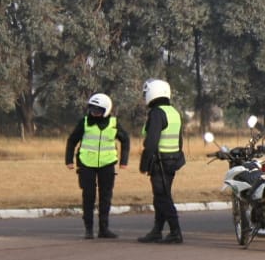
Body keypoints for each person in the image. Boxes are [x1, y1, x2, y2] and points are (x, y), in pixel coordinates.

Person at [64, 92, 129, 239]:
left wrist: (124, 161)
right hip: (86, 164)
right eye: (92, 108)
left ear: (106, 109)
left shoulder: (114, 123)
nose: (94, 112)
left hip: (107, 164)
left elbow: (125, 140)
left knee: (105, 196)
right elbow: (72, 140)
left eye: (98, 110)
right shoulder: (85, 122)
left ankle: (103, 229)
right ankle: (88, 229)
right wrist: (69, 160)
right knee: (88, 196)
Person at [138, 78, 186, 244]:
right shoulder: (174, 112)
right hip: (172, 160)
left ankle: (175, 232)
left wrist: (144, 163)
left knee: (162, 197)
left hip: (160, 161)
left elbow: (152, 141)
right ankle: (157, 231)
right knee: (161, 196)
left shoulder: (157, 113)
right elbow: (179, 140)